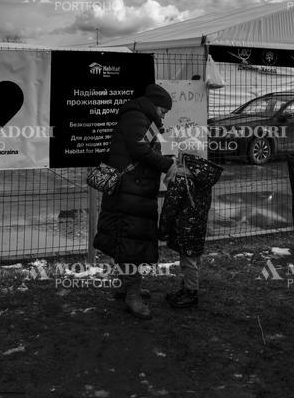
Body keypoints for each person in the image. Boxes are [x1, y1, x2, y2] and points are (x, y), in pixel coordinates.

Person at [93, 82, 176, 319]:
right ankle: (133, 297)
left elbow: (148, 149)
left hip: (134, 190)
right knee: (132, 245)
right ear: (154, 106)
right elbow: (140, 150)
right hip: (129, 192)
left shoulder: (145, 120)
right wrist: (167, 164)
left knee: (127, 241)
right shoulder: (135, 117)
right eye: (163, 111)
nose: (164, 115)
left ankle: (126, 286)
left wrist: (164, 155)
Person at [159, 152, 223, 308]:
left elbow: (170, 207)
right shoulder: (203, 177)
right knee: (193, 259)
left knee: (188, 262)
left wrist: (162, 230)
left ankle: (190, 293)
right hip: (198, 226)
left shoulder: (181, 178)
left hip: (184, 228)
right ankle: (186, 287)